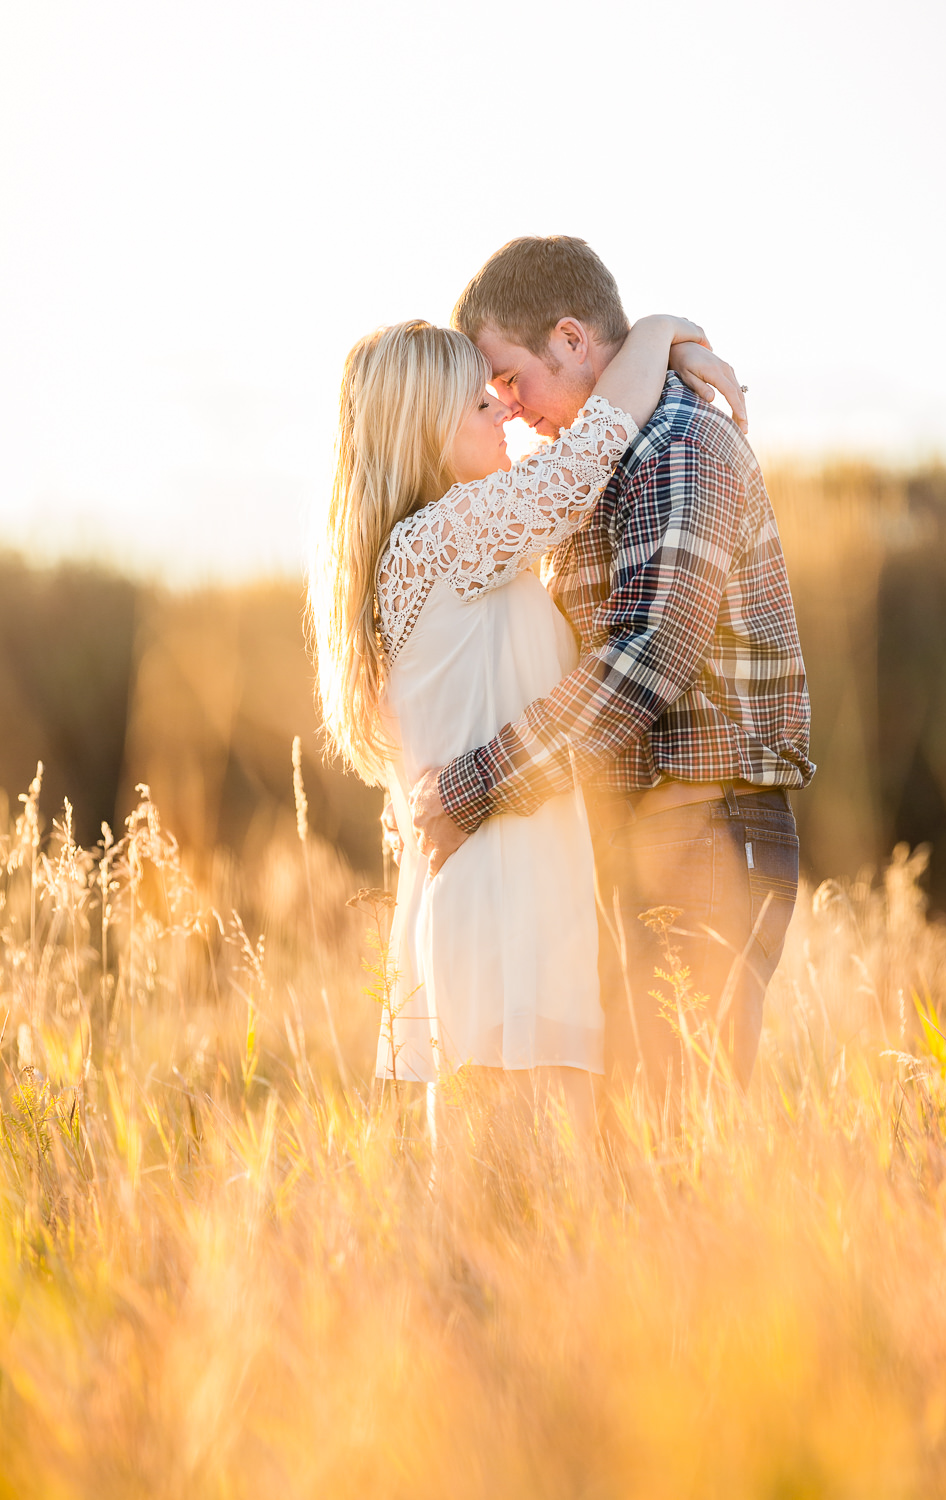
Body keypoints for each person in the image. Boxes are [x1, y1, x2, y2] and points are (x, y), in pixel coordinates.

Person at [410, 236, 814, 1106]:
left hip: (702, 832)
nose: (509, 411)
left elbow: (643, 664)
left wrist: (472, 786)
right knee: (630, 1163)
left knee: (676, 1143)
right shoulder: (596, 466)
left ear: (570, 339)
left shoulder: (675, 445)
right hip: (643, 840)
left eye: (510, 377)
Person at [310, 312, 735, 1129]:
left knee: (529, 1221)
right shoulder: (438, 542)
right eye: (479, 405)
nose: (505, 411)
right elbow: (589, 452)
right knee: (518, 1207)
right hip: (499, 898)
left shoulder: (457, 549)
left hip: (518, 892)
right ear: (422, 433)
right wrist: (655, 334)